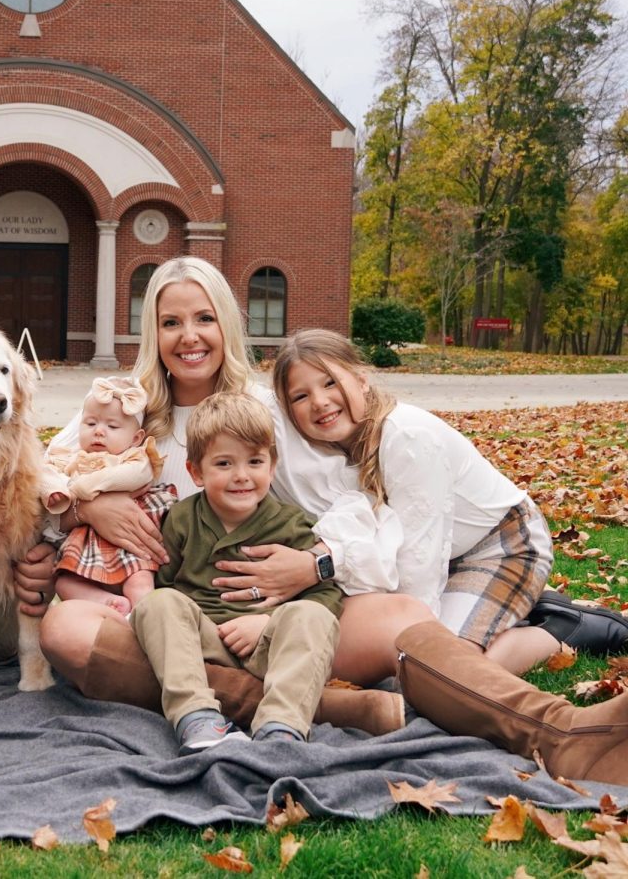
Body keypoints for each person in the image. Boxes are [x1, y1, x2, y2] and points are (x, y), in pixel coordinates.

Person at [37, 256, 628, 785]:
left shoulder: (269, 410)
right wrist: (88, 503)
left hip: (284, 621)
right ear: (152, 333)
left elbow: (357, 506)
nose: (189, 337)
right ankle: (331, 707)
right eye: (171, 323)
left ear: (228, 326)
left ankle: (564, 734)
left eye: (205, 319)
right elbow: (42, 478)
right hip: (176, 622)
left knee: (407, 619)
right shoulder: (122, 408)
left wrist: (309, 567)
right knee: (66, 631)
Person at [272, 329, 628, 666]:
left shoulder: (405, 436)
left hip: (504, 547)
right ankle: (507, 612)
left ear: (361, 379)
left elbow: (418, 566)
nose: (319, 402)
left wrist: (412, 642)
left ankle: (564, 629)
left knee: (443, 671)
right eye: (300, 396)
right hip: (448, 556)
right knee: (415, 665)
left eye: (330, 382)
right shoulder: (332, 455)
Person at [131, 392, 340, 752]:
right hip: (203, 646)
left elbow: (326, 595)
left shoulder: (292, 525)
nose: (241, 476)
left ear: (271, 467)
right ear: (196, 471)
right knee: (158, 602)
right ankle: (197, 719)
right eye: (224, 464)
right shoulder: (181, 520)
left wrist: (266, 621)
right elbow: (165, 585)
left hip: (267, 646)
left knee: (312, 616)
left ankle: (281, 727)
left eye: (255, 462)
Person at [41, 376, 176, 614]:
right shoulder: (71, 457)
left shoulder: (134, 458)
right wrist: (54, 490)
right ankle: (108, 604)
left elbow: (135, 477)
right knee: (65, 582)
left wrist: (82, 487)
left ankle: (145, 617)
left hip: (133, 540)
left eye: (112, 427)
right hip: (87, 541)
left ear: (136, 438)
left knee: (140, 581)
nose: (99, 432)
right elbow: (45, 474)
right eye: (90, 423)